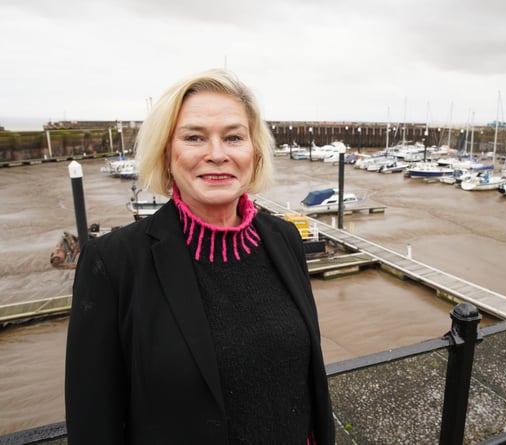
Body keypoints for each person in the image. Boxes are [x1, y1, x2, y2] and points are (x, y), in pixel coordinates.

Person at [65, 68, 335, 444]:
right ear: (167, 153)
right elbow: (93, 422)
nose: (217, 154)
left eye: (234, 137)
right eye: (194, 137)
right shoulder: (112, 263)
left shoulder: (285, 238)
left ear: (254, 152)